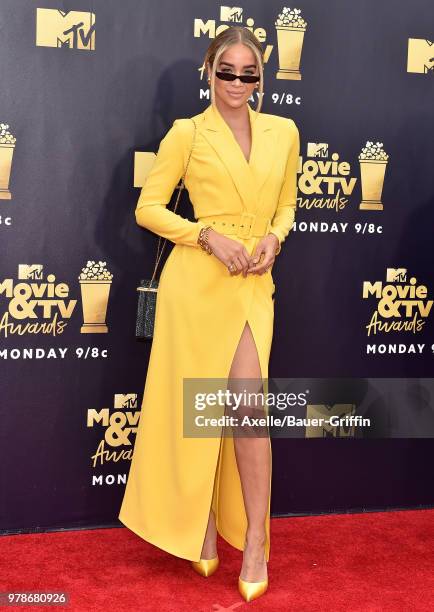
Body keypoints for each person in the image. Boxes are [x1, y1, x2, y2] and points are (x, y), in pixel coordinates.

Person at [118, 25, 300, 603]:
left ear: (261, 77)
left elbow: (289, 203)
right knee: (196, 409)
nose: (238, 84)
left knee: (248, 415)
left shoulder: (284, 131)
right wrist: (204, 236)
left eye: (250, 74)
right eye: (228, 72)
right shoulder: (187, 133)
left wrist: (276, 237)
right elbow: (148, 208)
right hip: (197, 285)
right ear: (209, 71)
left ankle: (254, 543)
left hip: (253, 286)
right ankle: (197, 530)